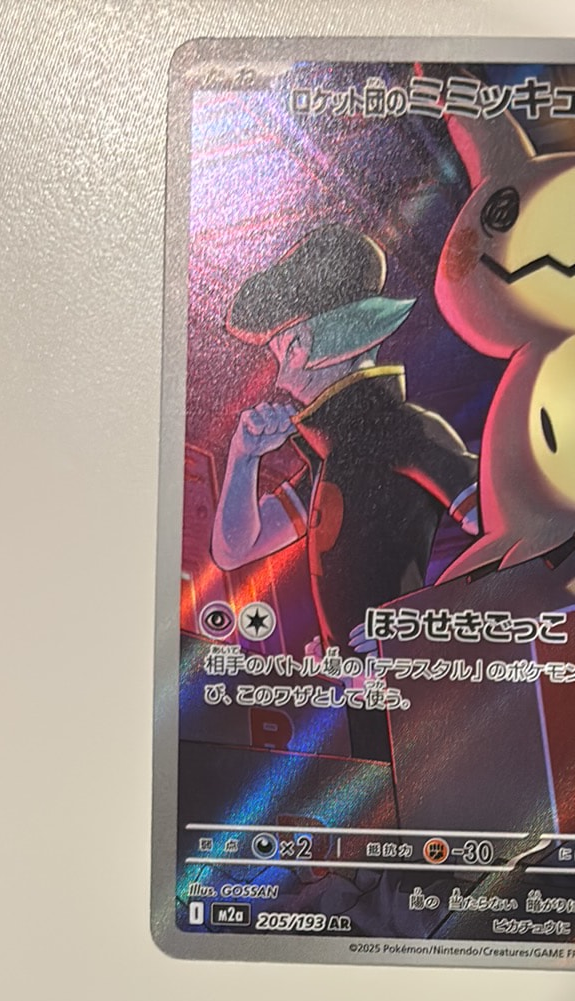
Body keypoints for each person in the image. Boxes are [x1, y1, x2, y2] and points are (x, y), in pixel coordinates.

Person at [212, 224, 478, 758]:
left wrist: (425, 631)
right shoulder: (332, 454)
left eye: (278, 346)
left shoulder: (402, 429)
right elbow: (236, 549)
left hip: (416, 709)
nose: (278, 370)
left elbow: (512, 527)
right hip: (361, 699)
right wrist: (244, 456)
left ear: (301, 345)